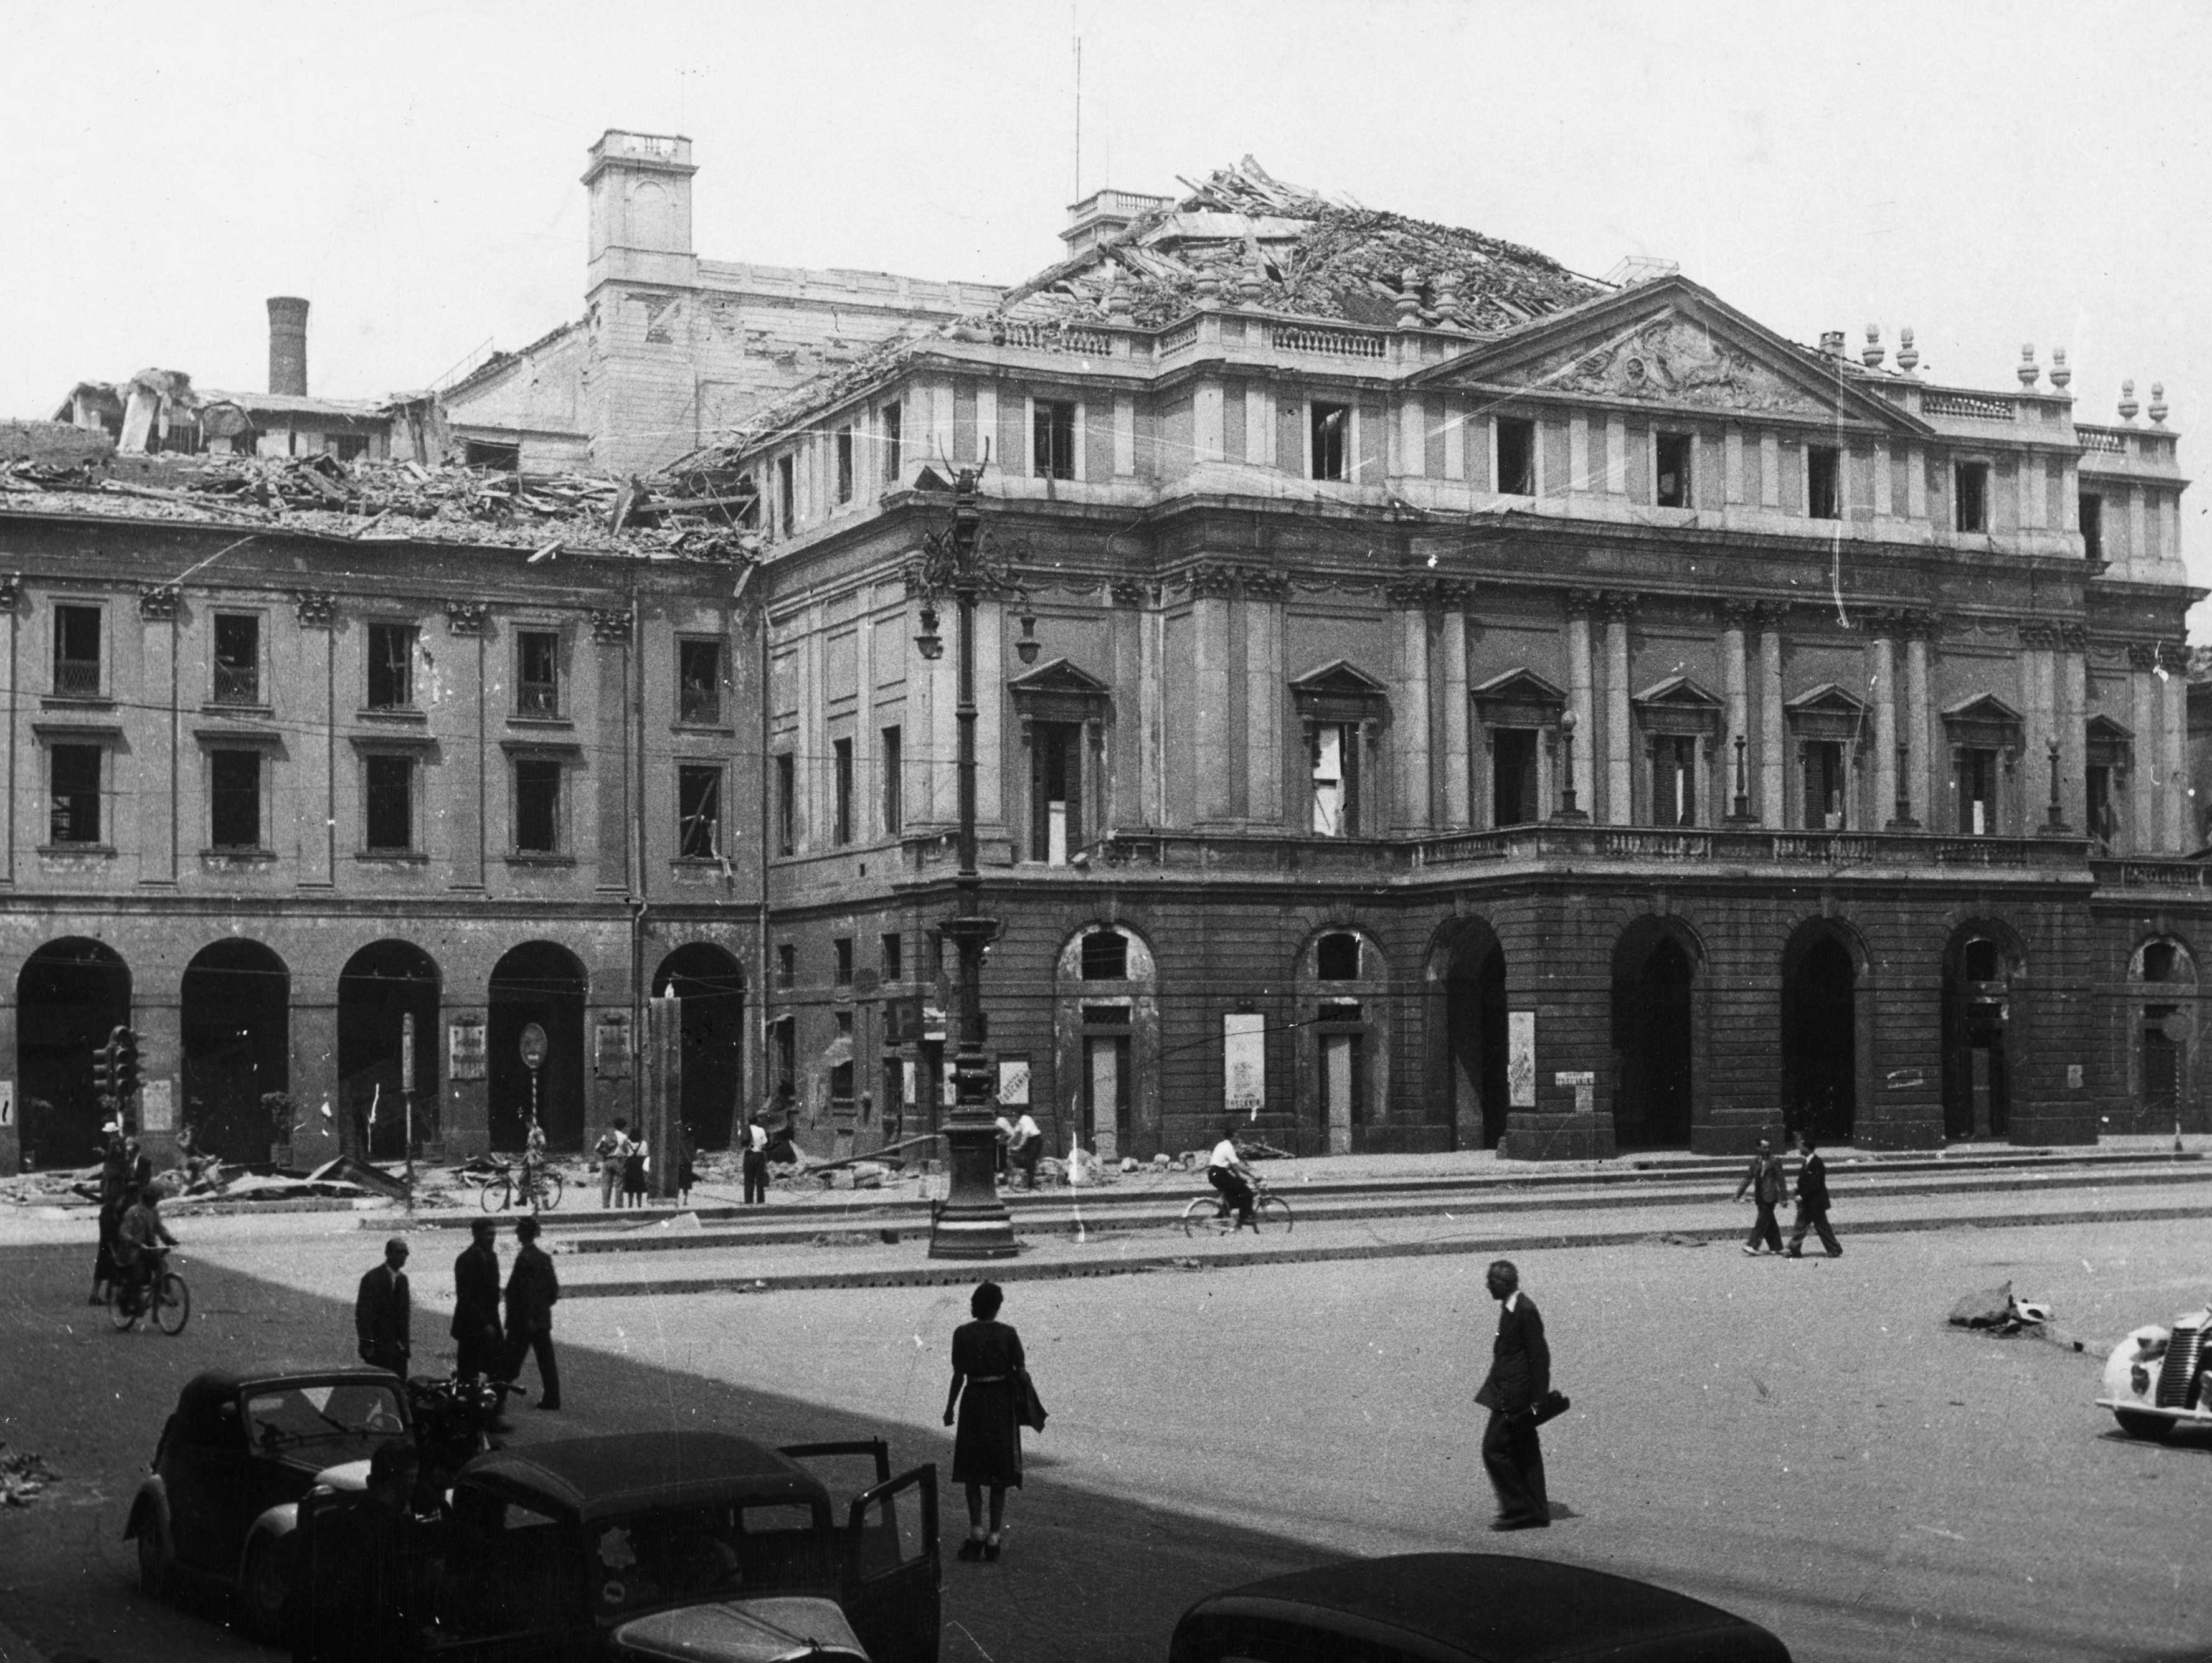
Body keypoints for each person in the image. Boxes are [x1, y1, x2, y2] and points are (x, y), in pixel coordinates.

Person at [943, 1281, 1026, 1563]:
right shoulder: (1009, 1334)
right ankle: (994, 1537)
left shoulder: (962, 1334)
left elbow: (958, 1376)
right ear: (998, 1306)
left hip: (974, 1401)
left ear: (975, 1304)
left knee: (973, 1471)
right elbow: (1022, 1373)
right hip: (1001, 1404)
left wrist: (949, 1408)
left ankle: (975, 1532)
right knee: (998, 1474)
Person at [1475, 1259, 1551, 1532]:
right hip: (1512, 1391)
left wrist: (1539, 1398)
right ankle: (1537, 1511)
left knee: (1493, 1449)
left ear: (1502, 1284)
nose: (1486, 1285)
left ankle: (1519, 1508)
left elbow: (1539, 1356)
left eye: (1490, 1281)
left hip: (1515, 1396)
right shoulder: (1512, 1308)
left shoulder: (1524, 1310)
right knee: (1525, 1451)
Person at [450, 1220, 508, 1424]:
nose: (491, 1238)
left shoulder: (491, 1257)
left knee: (498, 1371)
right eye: (487, 1234)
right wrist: (485, 1324)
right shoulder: (465, 1260)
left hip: (491, 1322)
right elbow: (466, 1297)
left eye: (494, 1234)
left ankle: (492, 1415)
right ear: (476, 1235)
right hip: (471, 1325)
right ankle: (469, 1418)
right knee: (468, 1374)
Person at [503, 1216, 561, 1412]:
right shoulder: (544, 1258)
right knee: (547, 1362)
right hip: (542, 1318)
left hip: (523, 1321)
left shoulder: (523, 1259)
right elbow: (553, 1291)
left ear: (520, 1234)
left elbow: (521, 1291)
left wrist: (527, 1317)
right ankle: (553, 1399)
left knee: (511, 1362)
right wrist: (541, 1309)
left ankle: (497, 1397)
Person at [113, 1182, 179, 1315]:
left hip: (148, 1249)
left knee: (161, 1267)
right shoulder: (133, 1212)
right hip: (133, 1251)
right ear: (148, 1198)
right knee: (137, 1278)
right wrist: (132, 1241)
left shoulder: (154, 1212)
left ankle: (159, 1293)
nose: (157, 1201)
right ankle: (127, 1299)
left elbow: (160, 1229)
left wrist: (169, 1239)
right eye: (156, 1198)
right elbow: (123, 1232)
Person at [354, 1237, 412, 1377]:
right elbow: (364, 1315)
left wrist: (405, 1346)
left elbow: (404, 1316)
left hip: (398, 1350)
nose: (403, 1257)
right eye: (399, 1253)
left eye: (406, 1253)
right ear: (388, 1254)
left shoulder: (403, 1281)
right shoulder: (372, 1278)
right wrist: (367, 1344)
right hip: (379, 1348)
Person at [1786, 1131, 1843, 1258]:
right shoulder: (1807, 1162)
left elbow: (1815, 1184)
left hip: (1815, 1203)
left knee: (1822, 1227)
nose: (1799, 1148)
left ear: (1807, 1147)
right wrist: (1797, 1187)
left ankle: (1834, 1249)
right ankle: (1793, 1249)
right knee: (1800, 1225)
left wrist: (1802, 1195)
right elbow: (1805, 1180)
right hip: (1808, 1202)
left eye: (1801, 1146)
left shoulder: (1817, 1163)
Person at [91, 1122, 128, 1304]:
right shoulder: (117, 1146)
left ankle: (104, 1293)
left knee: (108, 1252)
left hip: (108, 1212)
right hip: (111, 1215)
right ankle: (108, 1292)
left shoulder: (114, 1147)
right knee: (113, 1252)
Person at [1734, 1136, 1787, 1256]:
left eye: (1769, 1147)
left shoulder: (1775, 1160)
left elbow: (1781, 1180)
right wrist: (1739, 1193)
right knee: (1770, 1222)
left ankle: (1752, 1245)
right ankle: (1777, 1247)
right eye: (1764, 1147)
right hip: (1759, 1196)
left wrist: (1784, 1198)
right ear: (1758, 1148)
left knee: (1762, 1222)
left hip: (1771, 1196)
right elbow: (1748, 1178)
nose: (1767, 1149)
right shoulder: (1755, 1161)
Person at [1206, 1121, 1258, 1228]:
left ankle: (1221, 1217)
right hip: (1220, 1173)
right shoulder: (1228, 1147)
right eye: (1236, 1136)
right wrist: (1253, 1176)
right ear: (1231, 1137)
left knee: (1233, 1195)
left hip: (1214, 1173)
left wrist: (1240, 1178)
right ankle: (1244, 1217)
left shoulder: (1222, 1145)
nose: (1238, 1139)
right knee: (1246, 1191)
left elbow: (1232, 1167)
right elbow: (1238, 1165)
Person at [595, 1117, 633, 1209]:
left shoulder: (607, 1136)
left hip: (607, 1161)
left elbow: (597, 1147)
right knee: (619, 1184)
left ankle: (605, 1206)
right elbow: (628, 1152)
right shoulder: (624, 1137)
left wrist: (605, 1154)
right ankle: (619, 1206)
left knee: (606, 1185)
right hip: (618, 1161)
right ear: (623, 1127)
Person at [1008, 1109, 1043, 1192]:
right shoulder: (1020, 1121)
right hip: (1030, 1141)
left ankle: (1031, 1184)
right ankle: (1024, 1179)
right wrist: (1007, 1142)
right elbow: (1014, 1133)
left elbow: (1025, 1135)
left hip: (1036, 1141)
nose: (1014, 1117)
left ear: (1018, 1114)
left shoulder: (1025, 1120)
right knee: (1020, 1156)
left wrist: (1020, 1146)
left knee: (1030, 1160)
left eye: (1014, 1115)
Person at [742, 1114, 770, 1205]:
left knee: (748, 1179)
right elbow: (765, 1144)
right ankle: (760, 1200)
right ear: (757, 1121)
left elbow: (742, 1141)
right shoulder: (761, 1130)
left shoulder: (745, 1130)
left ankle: (748, 1200)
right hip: (759, 1156)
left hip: (748, 1155)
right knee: (759, 1179)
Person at [673, 1121, 697, 1206]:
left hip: (678, 1163)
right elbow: (692, 1152)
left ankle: (676, 1201)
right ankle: (685, 1200)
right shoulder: (689, 1139)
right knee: (686, 1183)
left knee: (677, 1182)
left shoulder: (675, 1140)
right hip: (687, 1163)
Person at [622, 1131, 649, 1207]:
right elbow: (645, 1154)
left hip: (630, 1166)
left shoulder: (627, 1143)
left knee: (630, 1186)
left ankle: (630, 1204)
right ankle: (639, 1204)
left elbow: (625, 1153)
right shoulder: (643, 1143)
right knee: (639, 1186)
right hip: (639, 1165)